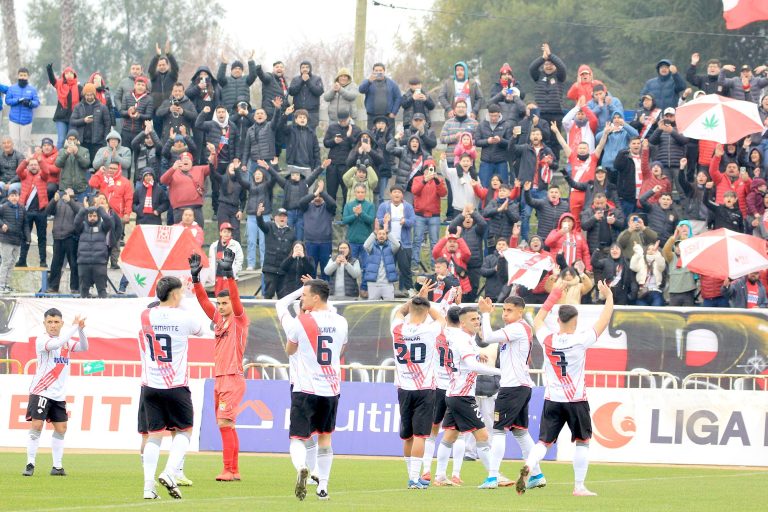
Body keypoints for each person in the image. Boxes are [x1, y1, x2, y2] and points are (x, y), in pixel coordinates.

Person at [515, 279, 614, 497]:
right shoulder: (581, 339)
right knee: (582, 442)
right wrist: (608, 297)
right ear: (575, 322)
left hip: (553, 399)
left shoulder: (548, 339)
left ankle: (530, 467)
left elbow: (539, 318)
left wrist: (554, 294)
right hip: (577, 400)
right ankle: (579, 487)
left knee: (543, 441)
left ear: (558, 320)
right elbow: (604, 320)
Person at [276, 279, 348, 501]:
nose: (302, 298)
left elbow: (289, 350)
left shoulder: (301, 321)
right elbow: (342, 349)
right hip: (330, 388)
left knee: (298, 437)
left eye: (305, 295)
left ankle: (301, 468)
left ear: (316, 297)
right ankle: (323, 487)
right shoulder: (341, 321)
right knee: (325, 438)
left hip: (305, 388)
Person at [137, 276, 204, 500]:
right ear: (175, 294)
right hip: (175, 385)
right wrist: (181, 303)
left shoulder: (145, 315)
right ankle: (169, 472)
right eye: (181, 292)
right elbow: (200, 330)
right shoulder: (183, 317)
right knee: (185, 431)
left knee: (154, 436)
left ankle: (148, 487)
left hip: (151, 386)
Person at [190, 248, 248, 480]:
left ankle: (227, 469)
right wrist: (195, 280)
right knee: (227, 425)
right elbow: (204, 302)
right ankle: (234, 470)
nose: (222, 306)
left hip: (233, 377)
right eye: (220, 303)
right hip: (220, 377)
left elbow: (235, 297)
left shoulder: (239, 320)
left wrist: (229, 274)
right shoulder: (219, 320)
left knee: (224, 422)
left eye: (224, 303)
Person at [477, 296, 545, 490]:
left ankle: (492, 477)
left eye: (509, 310)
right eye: (504, 310)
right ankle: (537, 475)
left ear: (520, 312)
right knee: (520, 432)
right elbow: (486, 335)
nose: (505, 314)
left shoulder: (517, 328)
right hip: (520, 386)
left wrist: (485, 313)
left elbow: (487, 338)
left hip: (512, 387)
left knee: (498, 431)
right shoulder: (516, 329)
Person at [432, 307, 501, 487]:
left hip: (454, 393)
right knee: (483, 435)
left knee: (450, 435)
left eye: (478, 318)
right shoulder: (463, 339)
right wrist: (500, 371)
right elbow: (472, 366)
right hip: (462, 395)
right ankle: (494, 476)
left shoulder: (464, 338)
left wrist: (478, 354)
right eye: (473, 319)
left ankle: (440, 476)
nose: (477, 322)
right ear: (462, 323)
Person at [23, 309, 87, 477]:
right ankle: (30, 463)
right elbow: (56, 344)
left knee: (61, 428)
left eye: (56, 322)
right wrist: (74, 327)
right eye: (49, 322)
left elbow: (83, 347)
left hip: (58, 394)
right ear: (44, 324)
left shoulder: (66, 341)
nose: (53, 325)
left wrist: (80, 329)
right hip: (41, 390)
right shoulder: (42, 340)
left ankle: (57, 466)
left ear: (61, 323)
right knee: (37, 425)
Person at [391, 294, 445, 489]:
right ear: (425, 313)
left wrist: (415, 299)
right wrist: (427, 303)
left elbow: (400, 311)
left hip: (404, 388)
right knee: (421, 435)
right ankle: (414, 478)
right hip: (424, 388)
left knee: (408, 436)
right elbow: (441, 319)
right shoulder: (430, 330)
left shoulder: (397, 328)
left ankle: (411, 476)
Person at [45, 188, 82, 294]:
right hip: (57, 236)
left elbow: (80, 212)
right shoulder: (58, 203)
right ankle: (53, 287)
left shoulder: (77, 203)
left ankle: (75, 287)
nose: (66, 194)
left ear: (73, 194)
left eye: (69, 192)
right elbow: (47, 211)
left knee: (74, 264)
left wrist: (69, 201)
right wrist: (54, 200)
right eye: (65, 192)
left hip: (71, 237)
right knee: (55, 264)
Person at [16, 154, 50, 268]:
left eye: (35, 165)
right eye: (32, 165)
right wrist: (26, 161)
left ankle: (43, 261)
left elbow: (47, 171)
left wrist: (41, 161)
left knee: (42, 237)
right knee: (25, 237)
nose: (34, 166)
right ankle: (22, 260)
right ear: (28, 166)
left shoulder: (43, 175)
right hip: (26, 211)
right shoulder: (24, 174)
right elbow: (18, 170)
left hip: (41, 211)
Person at [74, 205, 113, 298]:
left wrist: (101, 210)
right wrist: (83, 210)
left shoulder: (103, 227)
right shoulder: (82, 227)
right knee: (83, 291)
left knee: (102, 291)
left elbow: (109, 221)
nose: (92, 218)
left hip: (99, 264)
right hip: (83, 263)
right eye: (90, 216)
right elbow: (76, 222)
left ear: (98, 217)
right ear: (87, 217)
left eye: (95, 216)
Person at [258, 206, 295, 299]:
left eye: (284, 216)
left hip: (284, 270)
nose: (282, 218)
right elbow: (261, 224)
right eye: (280, 216)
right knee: (268, 294)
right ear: (275, 217)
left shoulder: (292, 232)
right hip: (270, 269)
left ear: (287, 218)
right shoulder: (269, 226)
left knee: (283, 297)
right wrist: (259, 215)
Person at [363, 221, 401, 300]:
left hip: (387, 283)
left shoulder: (390, 248)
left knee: (389, 306)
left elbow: (397, 245)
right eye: (379, 234)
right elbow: (365, 245)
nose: (381, 236)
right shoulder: (371, 248)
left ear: (386, 236)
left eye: (383, 234)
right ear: (376, 236)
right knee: (372, 308)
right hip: (373, 283)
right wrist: (374, 232)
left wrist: (388, 232)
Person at [358, 63, 402, 130]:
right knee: (372, 137)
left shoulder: (392, 83)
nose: (378, 72)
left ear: (384, 71)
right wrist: (369, 81)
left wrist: (394, 112)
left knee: (388, 138)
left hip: (388, 116)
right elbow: (361, 90)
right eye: (376, 70)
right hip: (372, 116)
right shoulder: (368, 82)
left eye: (380, 70)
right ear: (373, 72)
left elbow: (398, 97)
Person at [5, 67, 40, 151]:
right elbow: (7, 100)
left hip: (27, 121)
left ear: (28, 76)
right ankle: (15, 163)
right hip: (14, 120)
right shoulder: (12, 88)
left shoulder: (32, 89)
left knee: (25, 143)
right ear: (18, 76)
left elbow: (37, 102)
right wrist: (17, 100)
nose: (23, 77)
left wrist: (29, 103)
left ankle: (24, 162)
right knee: (14, 142)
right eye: (21, 75)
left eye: (25, 75)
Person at [46, 64, 80, 148]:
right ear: (64, 75)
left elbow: (86, 97)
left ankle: (70, 160)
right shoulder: (59, 84)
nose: (69, 74)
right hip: (61, 117)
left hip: (73, 118)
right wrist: (49, 69)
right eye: (66, 73)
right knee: (61, 140)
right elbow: (52, 80)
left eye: (71, 73)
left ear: (74, 75)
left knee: (71, 140)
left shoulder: (79, 87)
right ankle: (59, 160)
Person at [206, 223, 244, 296]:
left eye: (229, 232)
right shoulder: (214, 245)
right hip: (218, 278)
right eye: (225, 232)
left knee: (229, 298)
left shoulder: (236, 245)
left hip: (230, 278)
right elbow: (211, 261)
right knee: (219, 297)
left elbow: (239, 260)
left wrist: (234, 272)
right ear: (220, 233)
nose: (227, 234)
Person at [0, 189, 26, 293]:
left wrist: (27, 237)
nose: (14, 198)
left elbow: (25, 224)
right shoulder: (3, 207)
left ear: (19, 197)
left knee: (12, 263)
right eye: (12, 196)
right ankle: (1, 285)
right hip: (6, 239)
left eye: (16, 195)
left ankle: (7, 284)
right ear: (8, 197)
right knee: (5, 262)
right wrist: (2, 225)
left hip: (17, 240)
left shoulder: (22, 208)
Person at [288, 61, 324, 131]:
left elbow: (319, 91)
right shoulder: (295, 79)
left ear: (310, 69)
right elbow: (291, 92)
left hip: (312, 113)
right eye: (303, 67)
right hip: (297, 112)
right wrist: (302, 81)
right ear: (300, 69)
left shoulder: (317, 79)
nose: (305, 69)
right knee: (296, 135)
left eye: (307, 67)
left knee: (311, 135)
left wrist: (308, 81)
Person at [630, 241, 666, 307]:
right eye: (649, 249)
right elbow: (633, 267)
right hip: (642, 292)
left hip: (655, 292)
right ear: (646, 251)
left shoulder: (658, 261)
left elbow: (662, 265)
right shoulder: (641, 261)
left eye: (653, 249)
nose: (651, 251)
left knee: (656, 312)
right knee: (642, 314)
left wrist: (657, 253)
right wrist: (638, 251)